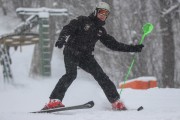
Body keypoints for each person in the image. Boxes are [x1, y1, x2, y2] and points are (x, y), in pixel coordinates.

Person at [42, 2, 144, 111]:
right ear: (96, 11)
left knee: (101, 76)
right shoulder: (82, 20)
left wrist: (132, 48)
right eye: (101, 12)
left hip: (86, 57)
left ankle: (116, 101)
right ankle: (54, 100)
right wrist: (62, 38)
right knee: (71, 74)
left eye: (105, 14)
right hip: (71, 52)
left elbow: (114, 45)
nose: (103, 15)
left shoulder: (100, 31)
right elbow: (68, 28)